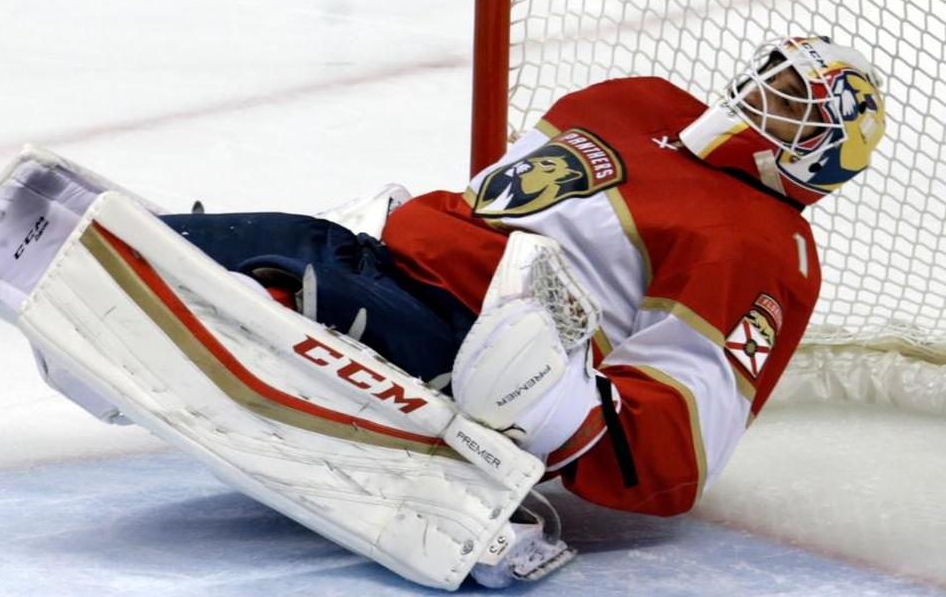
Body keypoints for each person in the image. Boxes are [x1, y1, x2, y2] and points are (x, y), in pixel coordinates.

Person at [156, 35, 887, 516]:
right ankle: (155, 267)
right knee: (277, 239)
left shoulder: (764, 244)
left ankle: (189, 311)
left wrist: (568, 409)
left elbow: (686, 446)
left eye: (794, 106)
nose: (765, 97)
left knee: (286, 275)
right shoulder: (635, 102)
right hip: (387, 263)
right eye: (772, 78)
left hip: (467, 341)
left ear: (820, 156)